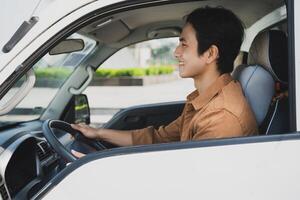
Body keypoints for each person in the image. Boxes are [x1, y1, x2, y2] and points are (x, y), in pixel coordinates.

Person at [71, 6, 258, 158]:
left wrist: (100, 170)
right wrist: (98, 133)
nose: (176, 52)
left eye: (184, 44)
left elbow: (193, 181)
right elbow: (159, 138)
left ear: (210, 54)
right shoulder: (203, 100)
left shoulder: (221, 117)